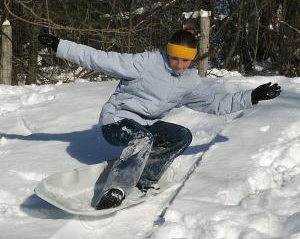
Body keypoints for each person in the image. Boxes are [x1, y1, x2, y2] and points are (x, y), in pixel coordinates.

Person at [38, 30, 281, 210]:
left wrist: (253, 96)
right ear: (168, 52)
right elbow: (98, 58)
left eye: (185, 60)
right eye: (174, 58)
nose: (178, 64)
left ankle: (145, 178)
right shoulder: (144, 63)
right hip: (116, 120)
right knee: (143, 138)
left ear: (192, 59)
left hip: (146, 124)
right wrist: (60, 46)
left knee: (181, 136)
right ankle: (116, 189)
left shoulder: (190, 82)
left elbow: (215, 104)